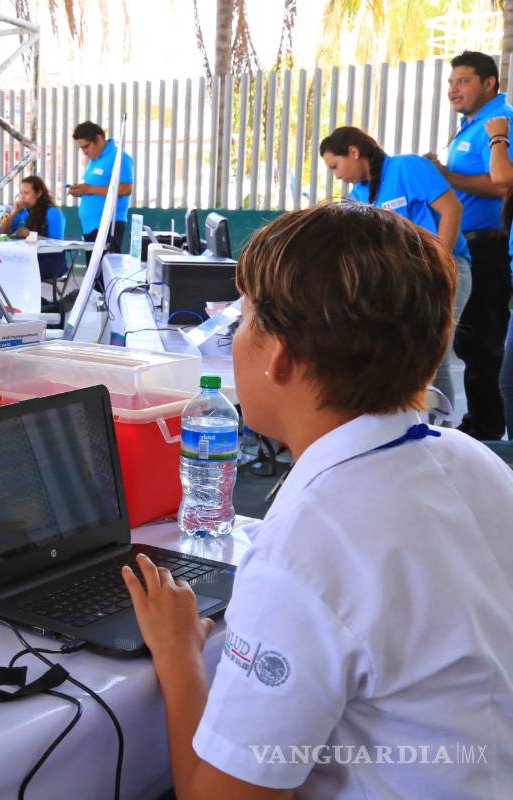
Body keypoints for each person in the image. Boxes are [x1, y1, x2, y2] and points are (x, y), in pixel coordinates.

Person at [123, 203, 513, 799]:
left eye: (244, 319)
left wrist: (178, 658)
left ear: (279, 356)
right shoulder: (472, 461)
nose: (233, 339)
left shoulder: (309, 546)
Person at [320, 126, 471, 406]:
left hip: (445, 270)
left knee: (432, 357)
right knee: (402, 356)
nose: (336, 176)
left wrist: (438, 263)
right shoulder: (358, 196)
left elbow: (452, 209)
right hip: (404, 279)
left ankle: (439, 427)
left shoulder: (407, 167)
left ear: (353, 151)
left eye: (335, 166)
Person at [424, 50, 513, 439]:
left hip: (489, 246)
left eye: (463, 81)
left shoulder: (500, 121)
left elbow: (502, 183)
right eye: (450, 82)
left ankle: (488, 433)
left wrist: (446, 176)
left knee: (484, 344)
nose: (453, 89)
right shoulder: (472, 125)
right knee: (469, 342)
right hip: (471, 247)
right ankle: (478, 422)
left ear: (489, 82)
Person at [480, 115, 513, 438]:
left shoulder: (500, 124)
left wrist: (498, 136)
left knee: (508, 383)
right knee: (508, 384)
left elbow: (502, 178)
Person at [68, 121, 133, 252]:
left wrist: (89, 189)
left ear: (98, 139)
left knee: (105, 265)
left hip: (108, 227)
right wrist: (81, 190)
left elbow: (126, 189)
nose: (84, 152)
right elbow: (95, 188)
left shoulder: (119, 157)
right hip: (90, 227)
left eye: (86, 147)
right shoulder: (94, 160)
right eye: (81, 149)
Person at [0, 175, 68, 282]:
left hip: (50, 260)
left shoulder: (53, 212)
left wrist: (30, 236)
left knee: (15, 272)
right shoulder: (22, 212)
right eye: (21, 193)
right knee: (1, 268)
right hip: (26, 258)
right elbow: (3, 231)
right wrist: (13, 212)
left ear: (39, 193)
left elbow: (56, 243)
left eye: (26, 193)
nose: (23, 197)